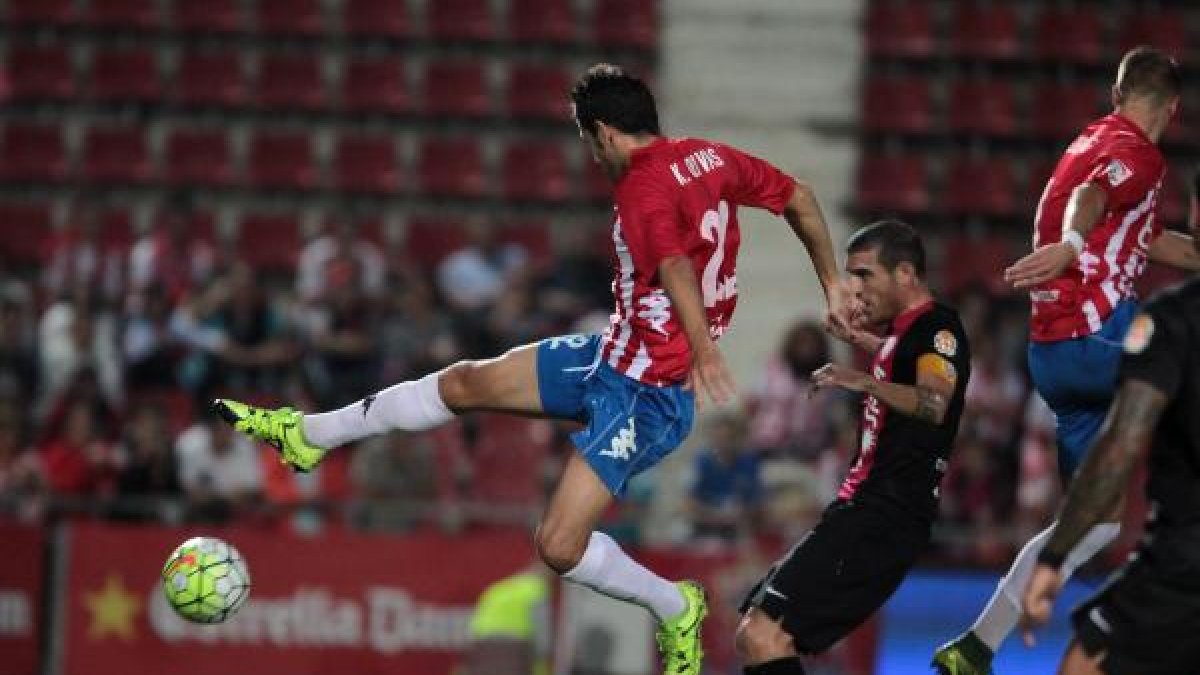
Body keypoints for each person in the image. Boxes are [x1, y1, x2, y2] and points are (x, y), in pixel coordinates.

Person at [213, 63, 847, 675]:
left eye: (586, 142)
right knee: (464, 381)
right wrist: (833, 284)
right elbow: (800, 196)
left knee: (558, 547)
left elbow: (677, 266)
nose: (591, 157)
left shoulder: (641, 189)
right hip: (611, 355)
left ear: (604, 134)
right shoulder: (712, 157)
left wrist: (705, 348)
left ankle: (674, 605)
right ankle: (308, 436)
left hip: (648, 397)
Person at [933, 46, 1200, 675]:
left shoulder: (1092, 140)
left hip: (1054, 357)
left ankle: (975, 646)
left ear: (1114, 94)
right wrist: (1071, 244)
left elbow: (1150, 239)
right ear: (1174, 108)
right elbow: (1091, 197)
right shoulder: (1136, 152)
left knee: (1094, 525)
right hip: (1099, 338)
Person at [736, 220, 971, 675]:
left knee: (763, 634)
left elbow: (933, 402)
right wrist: (862, 344)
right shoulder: (907, 336)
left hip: (885, 515)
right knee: (758, 634)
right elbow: (901, 361)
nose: (855, 287)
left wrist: (861, 379)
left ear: (905, 274)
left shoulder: (939, 327)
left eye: (865, 274)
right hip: (863, 508)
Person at [1020, 205, 1200, 674]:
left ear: (1195, 216)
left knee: (1084, 665)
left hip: (1184, 565)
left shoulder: (1174, 320)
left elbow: (1120, 445)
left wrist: (1055, 555)